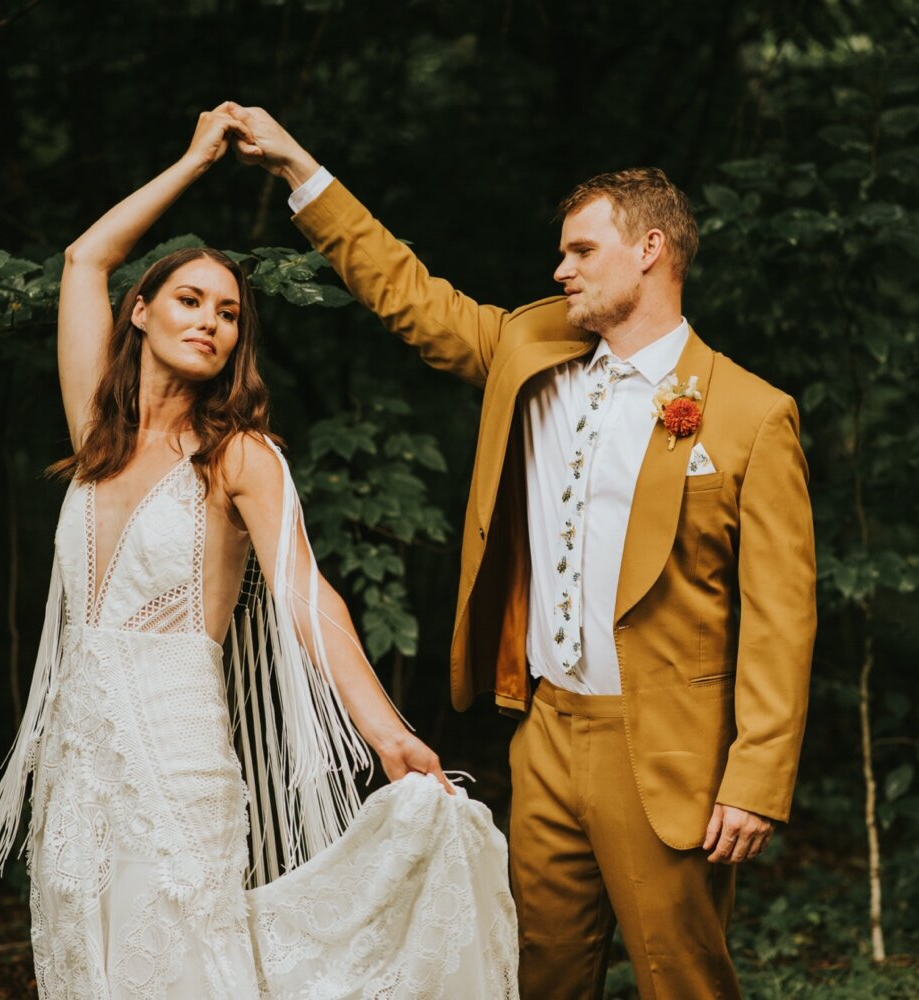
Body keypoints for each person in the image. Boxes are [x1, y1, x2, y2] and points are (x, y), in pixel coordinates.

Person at [230, 105, 818, 999]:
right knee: (537, 973)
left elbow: (782, 616)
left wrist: (757, 778)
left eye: (582, 250)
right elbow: (405, 292)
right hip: (545, 733)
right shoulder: (528, 353)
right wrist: (297, 170)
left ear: (651, 250)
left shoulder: (748, 412)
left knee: (682, 980)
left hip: (667, 753)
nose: (561, 268)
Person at [0, 103, 518, 999]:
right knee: (83, 965)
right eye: (188, 300)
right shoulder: (93, 434)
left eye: (228, 313)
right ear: (139, 312)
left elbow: (310, 597)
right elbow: (84, 259)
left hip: (178, 753)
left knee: (182, 968)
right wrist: (193, 162)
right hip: (77, 759)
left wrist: (386, 732)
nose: (210, 322)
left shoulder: (239, 457)